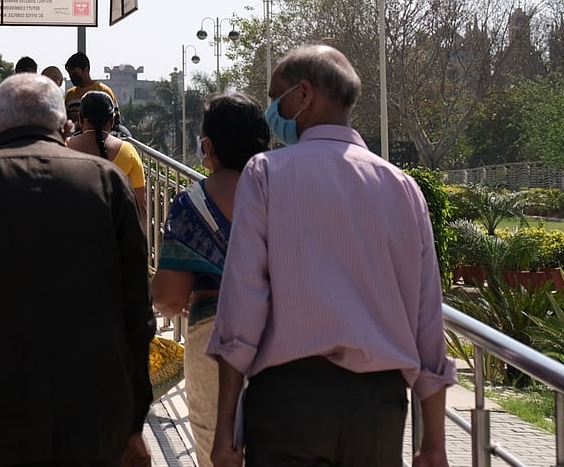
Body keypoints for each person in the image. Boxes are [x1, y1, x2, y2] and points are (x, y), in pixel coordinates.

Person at [207, 45, 456, 467]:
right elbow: (427, 316)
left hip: (289, 405)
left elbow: (242, 306)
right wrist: (434, 441)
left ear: (304, 95)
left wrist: (225, 428)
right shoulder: (402, 188)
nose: (272, 110)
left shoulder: (266, 174)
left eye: (275, 97)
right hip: (378, 410)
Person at [0, 73, 155, 467]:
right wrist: (134, 420)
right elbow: (137, 313)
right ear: (65, 127)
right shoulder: (108, 183)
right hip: (93, 415)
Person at [149, 92, 269, 467]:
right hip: (281, 338)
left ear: (208, 146)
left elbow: (168, 297)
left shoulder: (193, 204)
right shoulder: (283, 194)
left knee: (215, 446)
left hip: (213, 342)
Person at [67, 90, 147, 226]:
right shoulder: (127, 151)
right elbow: (139, 205)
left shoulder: (63, 146)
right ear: (112, 121)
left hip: (71, 236)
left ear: (80, 120)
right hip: (113, 238)